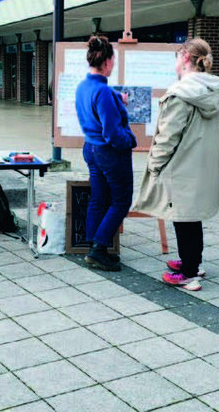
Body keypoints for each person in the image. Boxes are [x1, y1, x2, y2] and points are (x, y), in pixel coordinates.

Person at [133, 39, 219, 287]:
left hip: (180, 165)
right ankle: (193, 262)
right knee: (191, 216)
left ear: (185, 57)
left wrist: (154, 165)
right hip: (203, 164)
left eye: (177, 57)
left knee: (182, 216)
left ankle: (189, 273)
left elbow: (167, 137)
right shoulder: (217, 91)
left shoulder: (180, 94)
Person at [75, 35, 137, 271]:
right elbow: (113, 134)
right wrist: (130, 140)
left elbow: (98, 102)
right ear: (108, 62)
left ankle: (93, 245)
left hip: (90, 148)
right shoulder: (102, 92)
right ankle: (99, 250)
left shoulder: (85, 86)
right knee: (121, 201)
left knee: (99, 198)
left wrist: (115, 98)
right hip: (109, 152)